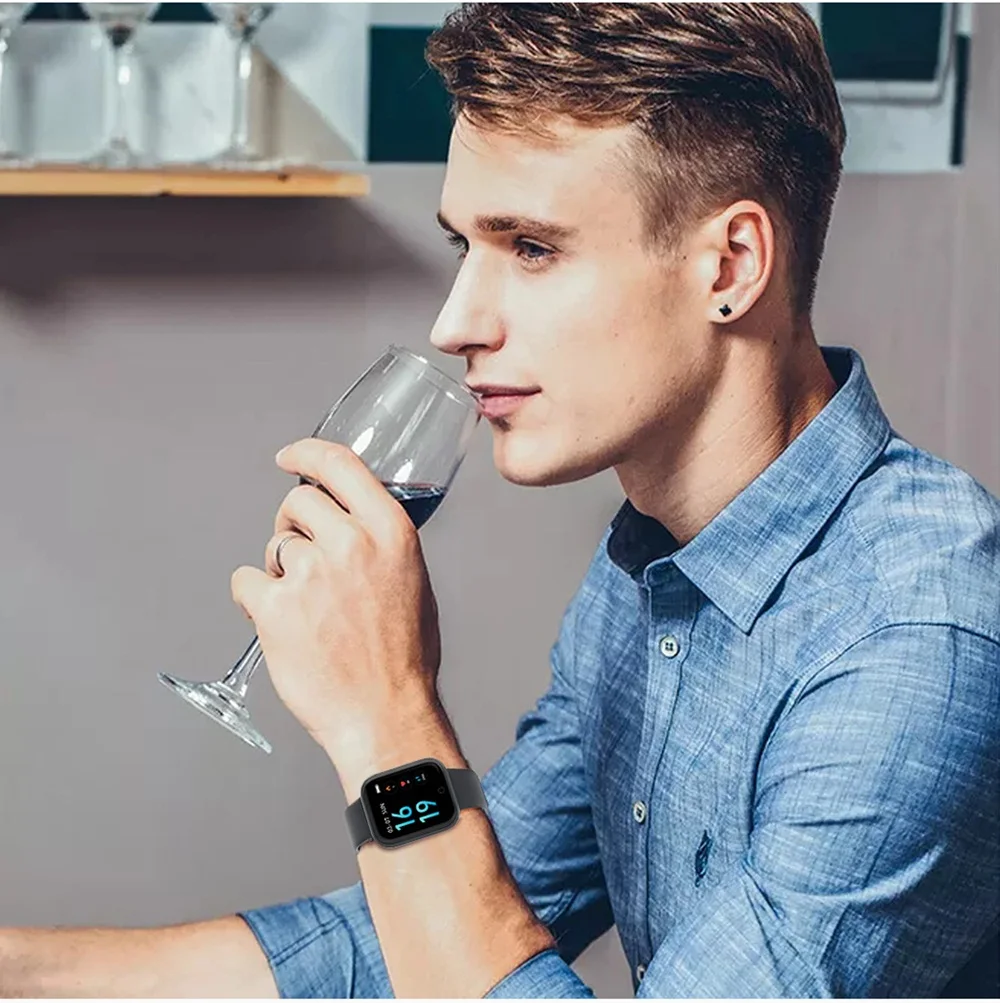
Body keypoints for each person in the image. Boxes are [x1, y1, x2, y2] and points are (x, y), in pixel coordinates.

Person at [2, 2, 998, 997]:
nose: (454, 323)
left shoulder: (915, 639)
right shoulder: (650, 568)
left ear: (730, 265)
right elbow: (406, 940)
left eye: (529, 247)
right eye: (462, 248)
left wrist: (388, 722)